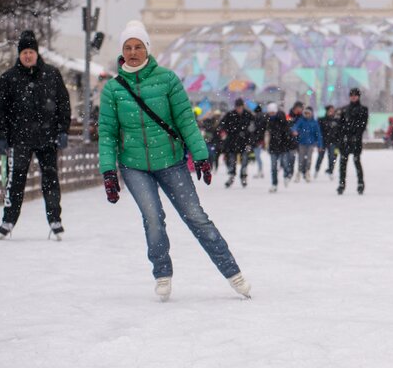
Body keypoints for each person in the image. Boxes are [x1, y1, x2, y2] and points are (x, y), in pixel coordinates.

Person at [97, 20, 251, 301]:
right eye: (128, 47)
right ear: (122, 51)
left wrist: (200, 156)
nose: (133, 52)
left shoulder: (167, 79)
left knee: (196, 217)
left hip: (170, 161)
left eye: (138, 46)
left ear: (147, 48)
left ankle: (232, 271)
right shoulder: (113, 89)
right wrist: (108, 172)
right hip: (134, 166)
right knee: (153, 218)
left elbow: (185, 121)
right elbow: (107, 134)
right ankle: (162, 273)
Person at [0, 30, 71, 240]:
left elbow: (63, 104)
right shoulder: (9, 78)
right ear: (19, 54)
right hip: (20, 139)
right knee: (16, 181)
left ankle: (55, 220)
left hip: (47, 138)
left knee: (51, 181)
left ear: (37, 53)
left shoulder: (51, 74)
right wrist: (0, 136)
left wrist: (63, 130)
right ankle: (8, 220)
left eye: (31, 52)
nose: (28, 55)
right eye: (24, 52)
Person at [336, 87, 369, 195]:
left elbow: (363, 124)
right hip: (345, 140)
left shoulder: (363, 109)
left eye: (355, 95)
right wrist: (343, 135)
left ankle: (360, 183)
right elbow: (340, 125)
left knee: (356, 161)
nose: (353, 97)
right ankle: (341, 184)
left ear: (358, 96)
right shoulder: (344, 109)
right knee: (343, 163)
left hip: (356, 140)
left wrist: (356, 135)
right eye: (351, 95)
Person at [218, 98, 255, 188]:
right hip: (232, 141)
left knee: (245, 160)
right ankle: (231, 175)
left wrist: (250, 139)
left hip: (245, 142)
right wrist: (224, 131)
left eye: (240, 107)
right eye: (237, 107)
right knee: (232, 160)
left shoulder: (248, 115)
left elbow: (253, 127)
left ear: (243, 106)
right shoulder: (230, 114)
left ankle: (243, 176)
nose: (239, 109)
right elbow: (222, 124)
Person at [265, 102, 293, 192]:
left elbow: (287, 132)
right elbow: (267, 133)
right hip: (273, 147)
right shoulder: (268, 120)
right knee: (273, 167)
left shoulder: (282, 119)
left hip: (282, 146)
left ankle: (286, 176)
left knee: (285, 163)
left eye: (273, 112)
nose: (271, 114)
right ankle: (274, 184)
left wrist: (287, 143)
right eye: (270, 113)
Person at [291, 106, 323, 182]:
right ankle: (299, 172)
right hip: (302, 143)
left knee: (309, 159)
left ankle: (307, 172)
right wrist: (294, 130)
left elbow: (318, 134)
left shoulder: (314, 123)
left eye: (308, 113)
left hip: (311, 144)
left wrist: (319, 145)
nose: (307, 115)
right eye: (305, 113)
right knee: (301, 159)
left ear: (311, 114)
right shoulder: (301, 121)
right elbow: (295, 126)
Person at [315, 105, 340, 179]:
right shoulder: (321, 120)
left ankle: (330, 171)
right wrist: (319, 142)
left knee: (332, 157)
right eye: (330, 110)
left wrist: (338, 141)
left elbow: (339, 132)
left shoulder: (337, 120)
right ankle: (316, 170)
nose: (332, 112)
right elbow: (318, 131)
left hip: (333, 142)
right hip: (323, 142)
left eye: (333, 110)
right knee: (320, 157)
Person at [251, 104, 268, 179]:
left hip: (257, 140)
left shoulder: (257, 118)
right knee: (258, 156)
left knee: (257, 156)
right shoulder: (263, 117)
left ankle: (260, 170)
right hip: (260, 139)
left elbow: (255, 130)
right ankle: (260, 170)